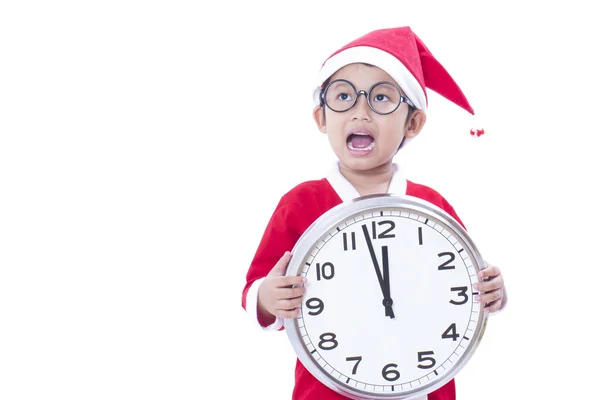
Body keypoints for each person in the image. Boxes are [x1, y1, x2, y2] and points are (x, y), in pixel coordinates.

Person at [241, 26, 507, 400]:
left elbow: (464, 282)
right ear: (321, 118)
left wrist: (492, 291)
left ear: (412, 123)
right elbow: (255, 286)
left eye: (381, 98)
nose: (360, 112)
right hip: (328, 387)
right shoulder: (300, 203)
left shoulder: (431, 204)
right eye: (344, 97)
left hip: (424, 377)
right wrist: (267, 297)